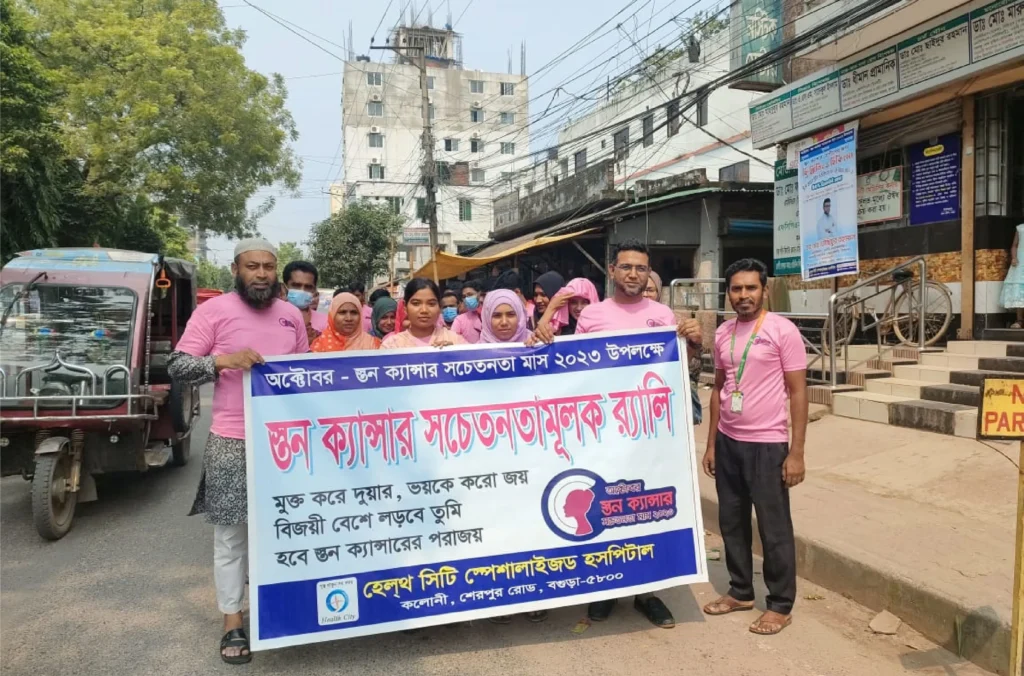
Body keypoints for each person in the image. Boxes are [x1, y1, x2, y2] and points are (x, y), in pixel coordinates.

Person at [531, 239, 702, 629]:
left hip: (651, 435)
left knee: (648, 510)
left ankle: (648, 591)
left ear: (648, 272)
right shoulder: (592, 316)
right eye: (626, 267)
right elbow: (574, 372)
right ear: (612, 271)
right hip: (605, 434)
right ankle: (608, 588)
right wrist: (543, 333)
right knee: (606, 507)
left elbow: (682, 367)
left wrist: (694, 342)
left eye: (640, 268)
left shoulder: (663, 314)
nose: (633, 274)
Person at [167, 239, 309, 665]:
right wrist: (223, 361)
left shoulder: (291, 316)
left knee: (289, 526)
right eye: (253, 266)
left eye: (268, 266)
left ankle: (285, 610)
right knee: (232, 536)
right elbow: (177, 366)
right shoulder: (213, 312)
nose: (262, 274)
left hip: (286, 442)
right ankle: (233, 621)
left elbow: (304, 372)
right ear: (236, 269)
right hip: (233, 439)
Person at [701, 258, 807, 636]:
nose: (743, 295)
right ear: (727, 292)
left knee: (773, 527)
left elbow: (798, 392)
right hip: (729, 442)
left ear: (764, 290)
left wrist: (796, 452)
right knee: (731, 522)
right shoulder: (723, 332)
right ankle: (741, 591)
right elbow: (719, 388)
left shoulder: (782, 330)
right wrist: (712, 443)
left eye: (751, 288)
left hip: (768, 444)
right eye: (736, 289)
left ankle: (780, 604)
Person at [475, 288, 549, 624]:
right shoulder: (467, 356)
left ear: (522, 315)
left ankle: (532, 592)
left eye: (511, 314)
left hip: (531, 457)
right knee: (494, 525)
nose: (504, 322)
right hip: (488, 459)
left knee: (529, 523)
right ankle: (499, 594)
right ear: (485, 317)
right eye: (496, 315)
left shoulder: (538, 348)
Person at [380, 278, 466, 349]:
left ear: (439, 307)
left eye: (431, 304)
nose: (424, 310)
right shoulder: (391, 346)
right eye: (416, 303)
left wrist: (456, 354)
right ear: (405, 308)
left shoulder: (456, 341)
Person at [310, 292, 381, 352]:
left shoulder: (374, 344)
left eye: (354, 312)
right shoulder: (319, 345)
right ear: (332, 315)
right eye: (342, 312)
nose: (349, 318)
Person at [533, 277, 600, 336]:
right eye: (573, 302)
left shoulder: (602, 328)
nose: (579, 308)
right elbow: (536, 341)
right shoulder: (557, 329)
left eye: (584, 302)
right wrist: (552, 307)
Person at [282, 261, 326, 340]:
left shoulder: (326, 323)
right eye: (296, 285)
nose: (302, 290)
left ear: (314, 289)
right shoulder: (272, 318)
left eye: (308, 287)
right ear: (285, 286)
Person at [1001, 224, 1024, 328]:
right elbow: (1014, 245)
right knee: (1019, 292)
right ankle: (1020, 321)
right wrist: (1014, 257)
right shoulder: (1020, 228)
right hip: (1021, 263)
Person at [451, 279, 484, 343]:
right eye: (464, 296)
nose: (466, 299)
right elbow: (453, 340)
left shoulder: (491, 314)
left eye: (470, 294)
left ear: (480, 294)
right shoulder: (460, 320)